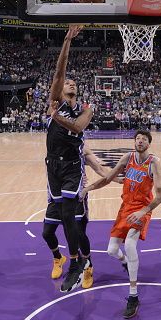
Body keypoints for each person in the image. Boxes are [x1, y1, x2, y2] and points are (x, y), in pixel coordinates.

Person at [80, 130, 161, 319]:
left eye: (144, 139)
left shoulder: (153, 162)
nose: (140, 141)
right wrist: (88, 188)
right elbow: (108, 177)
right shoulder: (128, 157)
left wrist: (143, 211)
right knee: (111, 250)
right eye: (138, 139)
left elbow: (160, 196)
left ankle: (133, 296)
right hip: (125, 207)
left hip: (142, 208)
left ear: (149, 144)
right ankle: (125, 262)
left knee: (130, 245)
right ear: (134, 142)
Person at [45, 25, 95, 293]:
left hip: (72, 166)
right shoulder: (55, 100)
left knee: (70, 215)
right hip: (52, 165)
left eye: (74, 83)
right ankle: (74, 260)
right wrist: (66, 40)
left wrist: (56, 117)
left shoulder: (87, 108)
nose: (70, 82)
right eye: (67, 82)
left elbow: (78, 127)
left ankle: (77, 262)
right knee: (63, 217)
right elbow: (58, 71)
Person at [42, 144, 122, 289]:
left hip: (75, 196)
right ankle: (58, 257)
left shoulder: (80, 150)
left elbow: (100, 169)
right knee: (47, 233)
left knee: (79, 234)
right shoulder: (52, 148)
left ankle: (88, 266)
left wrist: (119, 180)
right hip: (56, 197)